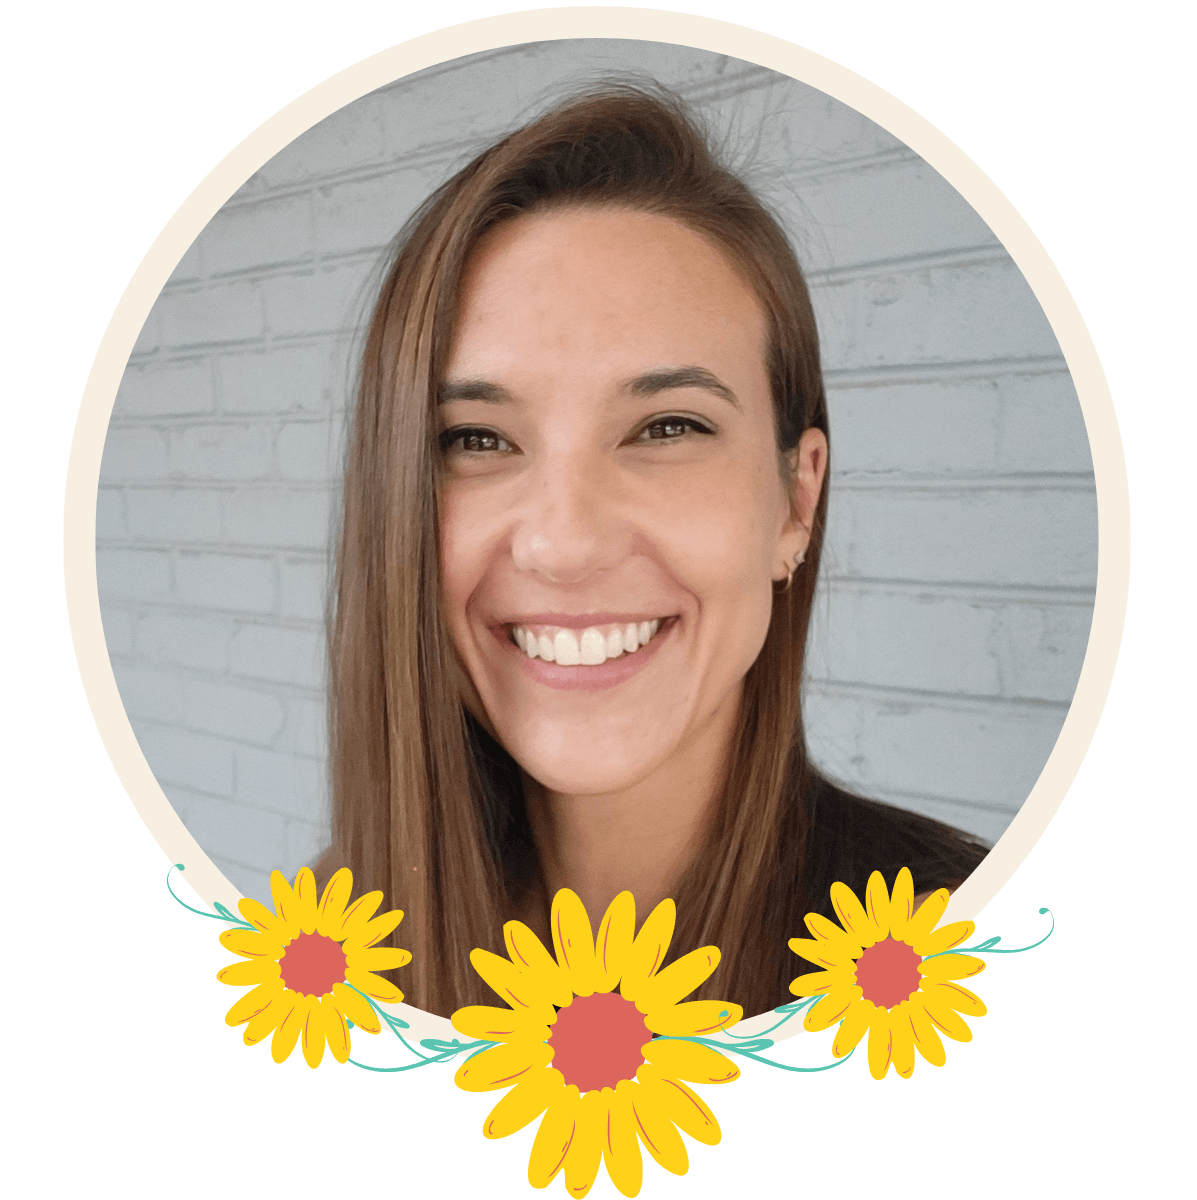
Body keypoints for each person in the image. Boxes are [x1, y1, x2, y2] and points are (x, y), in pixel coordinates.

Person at [315, 82, 987, 1018]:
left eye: (668, 426)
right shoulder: (321, 958)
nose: (564, 544)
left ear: (796, 501)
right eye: (475, 439)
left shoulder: (960, 944)